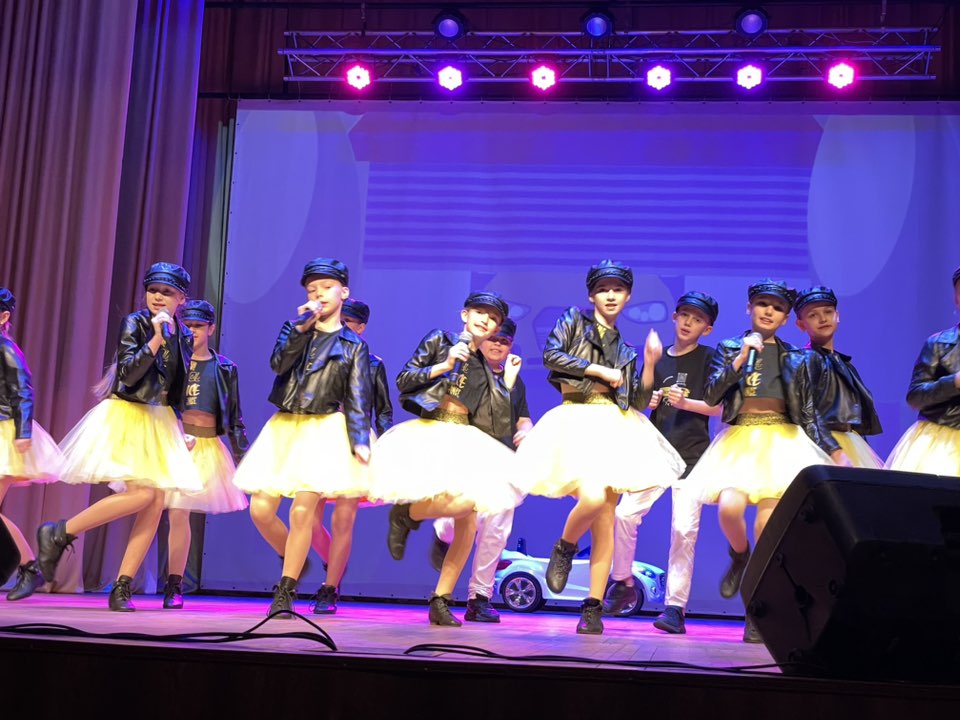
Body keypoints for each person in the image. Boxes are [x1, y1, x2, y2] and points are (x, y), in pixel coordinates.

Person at [516, 260, 686, 635]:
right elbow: (551, 355)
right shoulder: (573, 321)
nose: (611, 295)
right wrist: (597, 370)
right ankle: (564, 546)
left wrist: (650, 365)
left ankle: (592, 607)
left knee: (606, 522)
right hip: (575, 418)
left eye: (618, 290)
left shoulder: (624, 349)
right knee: (592, 499)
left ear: (627, 296)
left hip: (613, 425)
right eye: (603, 289)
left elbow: (636, 401)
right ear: (592, 295)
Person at [37, 263, 202, 611]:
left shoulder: (185, 335)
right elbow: (127, 373)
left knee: (154, 503)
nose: (158, 296)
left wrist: (181, 426)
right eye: (153, 290)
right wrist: (156, 338)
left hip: (160, 419)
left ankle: (122, 585)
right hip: (129, 414)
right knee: (143, 494)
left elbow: (178, 385)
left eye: (167, 292)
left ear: (181, 299)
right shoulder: (135, 323)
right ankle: (61, 531)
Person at [684, 279, 836, 642]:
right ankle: (740, 556)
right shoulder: (729, 348)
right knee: (729, 509)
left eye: (778, 308)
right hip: (741, 438)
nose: (769, 311)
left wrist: (834, 452)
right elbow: (712, 395)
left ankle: (756, 609)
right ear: (749, 309)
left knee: (768, 526)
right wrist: (739, 359)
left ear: (785, 319)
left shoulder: (796, 357)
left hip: (782, 439)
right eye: (762, 304)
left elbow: (809, 412)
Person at [369, 291, 523, 626]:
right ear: (465, 314)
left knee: (468, 521)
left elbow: (497, 421)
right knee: (463, 507)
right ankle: (405, 514)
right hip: (432, 430)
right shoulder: (440, 340)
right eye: (480, 313)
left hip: (466, 437)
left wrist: (506, 384)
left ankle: (441, 599)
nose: (485, 321)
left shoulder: (485, 366)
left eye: (493, 318)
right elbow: (404, 380)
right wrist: (445, 363)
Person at [233, 258, 372, 617]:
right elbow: (278, 364)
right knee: (260, 510)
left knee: (301, 512)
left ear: (343, 292)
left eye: (326, 287)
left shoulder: (353, 345)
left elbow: (359, 396)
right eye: (312, 289)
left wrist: (360, 439)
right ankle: (294, 558)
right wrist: (300, 328)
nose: (318, 294)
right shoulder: (294, 329)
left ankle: (286, 589)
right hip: (284, 427)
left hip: (323, 430)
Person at [605, 291, 722, 635]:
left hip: (692, 455)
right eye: (684, 315)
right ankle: (623, 581)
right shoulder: (659, 358)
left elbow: (719, 407)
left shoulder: (709, 358)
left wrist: (687, 404)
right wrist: (652, 383)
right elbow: (638, 403)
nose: (688, 322)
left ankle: (675, 608)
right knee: (625, 514)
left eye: (697, 319)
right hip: (656, 452)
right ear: (674, 317)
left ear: (707, 329)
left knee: (684, 531)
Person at [430, 317, 533, 623]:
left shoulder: (516, 382)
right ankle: (442, 534)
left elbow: (522, 418)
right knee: (457, 522)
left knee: (496, 530)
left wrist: (526, 430)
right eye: (493, 339)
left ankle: (480, 598)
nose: (497, 345)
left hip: (503, 461)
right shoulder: (467, 372)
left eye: (504, 341)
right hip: (467, 458)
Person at [161, 300, 250, 609]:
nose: (193, 332)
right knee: (172, 512)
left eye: (199, 326)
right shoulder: (172, 361)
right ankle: (168, 582)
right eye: (188, 326)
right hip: (174, 443)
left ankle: (175, 583)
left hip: (207, 447)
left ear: (211, 329)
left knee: (180, 512)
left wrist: (242, 459)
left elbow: (235, 417)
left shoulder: (224, 368)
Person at [307, 297, 393, 569]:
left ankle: (331, 584)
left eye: (347, 322)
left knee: (343, 520)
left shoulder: (373, 364)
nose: (341, 325)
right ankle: (335, 564)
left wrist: (386, 448)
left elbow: (383, 410)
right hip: (321, 435)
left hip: (355, 439)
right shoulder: (319, 355)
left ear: (361, 327)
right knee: (307, 518)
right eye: (338, 320)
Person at [0, 287, 64, 600]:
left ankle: (29, 565)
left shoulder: (7, 349)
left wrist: (23, 431)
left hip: (5, 430)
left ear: (3, 316)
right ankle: (25, 565)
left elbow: (23, 390)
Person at [794, 286, 883, 469]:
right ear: (801, 325)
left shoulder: (845, 364)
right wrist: (833, 450)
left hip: (851, 442)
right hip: (822, 443)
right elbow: (807, 410)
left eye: (828, 312)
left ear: (837, 315)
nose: (823, 319)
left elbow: (855, 415)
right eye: (813, 315)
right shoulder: (806, 359)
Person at [886, 267, 960, 477]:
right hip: (941, 441)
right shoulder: (938, 343)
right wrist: (954, 382)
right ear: (956, 298)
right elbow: (915, 397)